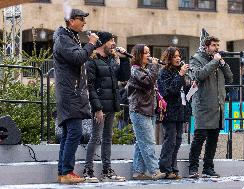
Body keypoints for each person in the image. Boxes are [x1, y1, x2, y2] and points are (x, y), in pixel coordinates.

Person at [53, 9, 99, 184]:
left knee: (68, 133)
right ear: (71, 21)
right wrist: (91, 44)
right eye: (81, 19)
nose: (84, 23)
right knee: (75, 131)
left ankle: (63, 172)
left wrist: (88, 49)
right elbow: (78, 57)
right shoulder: (63, 38)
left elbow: (78, 57)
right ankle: (67, 171)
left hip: (71, 91)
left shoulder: (70, 37)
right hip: (69, 92)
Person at [83, 31, 130, 182]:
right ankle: (88, 170)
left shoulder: (111, 60)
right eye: (111, 40)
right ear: (103, 42)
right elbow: (89, 86)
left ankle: (106, 170)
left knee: (107, 138)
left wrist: (124, 60)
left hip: (111, 104)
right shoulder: (92, 61)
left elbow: (124, 77)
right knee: (95, 137)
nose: (114, 43)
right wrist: (97, 108)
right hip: (100, 107)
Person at [188, 36, 233, 178]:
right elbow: (199, 75)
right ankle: (193, 168)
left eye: (217, 45)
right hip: (203, 105)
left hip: (217, 105)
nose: (216, 48)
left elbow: (230, 78)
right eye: (213, 45)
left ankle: (208, 167)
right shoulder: (196, 59)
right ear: (206, 46)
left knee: (214, 138)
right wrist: (214, 62)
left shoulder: (218, 60)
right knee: (199, 137)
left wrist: (223, 63)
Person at [127, 44, 166, 180]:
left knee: (141, 142)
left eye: (149, 52)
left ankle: (138, 171)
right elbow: (149, 82)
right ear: (138, 55)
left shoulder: (144, 70)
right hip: (139, 110)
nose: (149, 55)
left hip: (148, 110)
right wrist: (154, 66)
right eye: (145, 53)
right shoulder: (136, 70)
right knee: (148, 142)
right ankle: (154, 171)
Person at [157, 47, 189, 179]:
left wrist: (190, 87)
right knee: (170, 139)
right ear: (169, 58)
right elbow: (168, 91)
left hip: (180, 110)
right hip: (169, 111)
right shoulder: (164, 72)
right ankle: (165, 168)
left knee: (177, 140)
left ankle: (173, 168)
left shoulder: (178, 72)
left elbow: (181, 92)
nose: (178, 58)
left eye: (179, 56)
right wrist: (180, 75)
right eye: (175, 56)